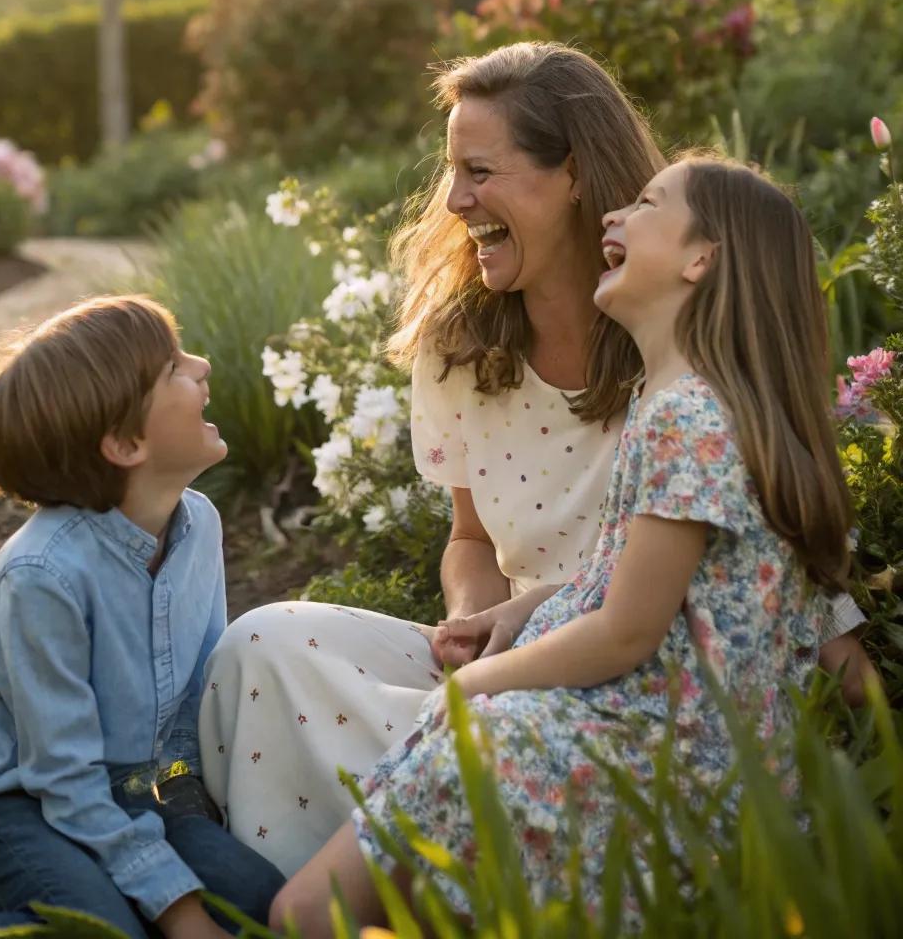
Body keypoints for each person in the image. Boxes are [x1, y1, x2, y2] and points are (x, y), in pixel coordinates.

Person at [199, 43, 869, 877]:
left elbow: (773, 569)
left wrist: (856, 722)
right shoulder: (460, 347)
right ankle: (385, 851)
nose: (455, 200)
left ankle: (398, 857)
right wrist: (473, 626)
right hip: (522, 647)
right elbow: (471, 539)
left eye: (480, 171)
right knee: (261, 644)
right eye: (453, 172)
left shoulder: (683, 363)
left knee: (473, 740)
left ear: (574, 174)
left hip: (625, 690)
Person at [0, 296, 282, 939]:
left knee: (261, 902)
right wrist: (177, 909)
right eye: (174, 367)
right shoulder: (41, 577)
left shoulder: (198, 524)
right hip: (0, 798)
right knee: (99, 931)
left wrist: (186, 821)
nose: (202, 365)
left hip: (119, 787)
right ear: (125, 444)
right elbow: (61, 775)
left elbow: (192, 702)